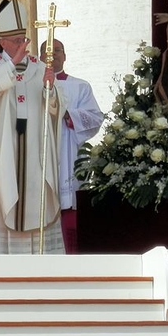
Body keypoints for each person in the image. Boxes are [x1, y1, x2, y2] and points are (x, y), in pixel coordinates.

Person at [0, 0, 66, 254]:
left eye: (23, 39)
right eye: (16, 41)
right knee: (4, 192)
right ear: (3, 42)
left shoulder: (38, 67)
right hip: (4, 152)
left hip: (34, 149)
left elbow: (54, 109)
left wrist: (51, 89)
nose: (22, 45)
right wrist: (12, 64)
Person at [40, 39, 104, 254]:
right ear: (40, 58)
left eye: (57, 51)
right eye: (47, 52)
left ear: (65, 56)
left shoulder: (80, 86)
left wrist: (68, 114)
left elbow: (95, 117)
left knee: (71, 210)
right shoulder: (31, 86)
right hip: (41, 153)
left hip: (69, 153)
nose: (53, 55)